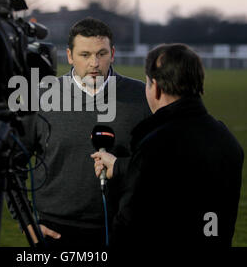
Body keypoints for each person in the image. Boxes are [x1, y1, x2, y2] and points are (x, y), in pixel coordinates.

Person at [14, 17, 151, 247]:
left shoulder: (142, 98)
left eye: (101, 53)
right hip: (53, 231)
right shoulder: (38, 97)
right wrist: (26, 222)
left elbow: (156, 166)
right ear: (69, 56)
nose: (94, 63)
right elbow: (13, 166)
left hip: (121, 229)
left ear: (113, 53)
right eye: (85, 55)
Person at [92, 43, 244, 247]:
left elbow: (132, 221)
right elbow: (184, 177)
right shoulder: (226, 138)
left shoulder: (156, 144)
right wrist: (120, 166)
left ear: (156, 88)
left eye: (147, 83)